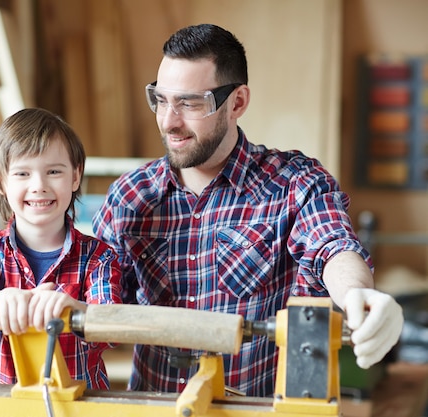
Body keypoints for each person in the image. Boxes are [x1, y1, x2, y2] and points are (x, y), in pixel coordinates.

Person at [92, 23, 404, 397]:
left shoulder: (293, 184)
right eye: (161, 100)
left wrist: (358, 295)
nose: (169, 121)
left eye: (190, 103)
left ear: (237, 102)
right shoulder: (129, 197)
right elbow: (93, 295)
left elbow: (332, 245)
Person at [0, 108, 122, 390]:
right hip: (5, 409)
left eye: (54, 171)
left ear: (75, 177)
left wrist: (76, 310)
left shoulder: (99, 257)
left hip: (79, 407)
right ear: (0, 183)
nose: (39, 186)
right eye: (22, 173)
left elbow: (113, 329)